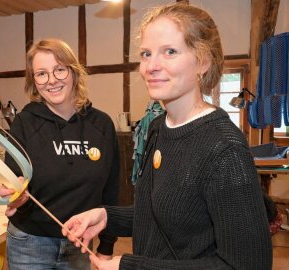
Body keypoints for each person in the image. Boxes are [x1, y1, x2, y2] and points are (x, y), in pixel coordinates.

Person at [63, 3, 272, 270]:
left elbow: (246, 265)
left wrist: (131, 267)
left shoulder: (223, 147)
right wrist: (106, 216)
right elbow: (158, 213)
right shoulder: (159, 127)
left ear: (203, 61)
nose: (151, 66)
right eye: (146, 54)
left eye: (170, 52)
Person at [0, 38, 120, 270]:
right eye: (41, 74)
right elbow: (13, 180)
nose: (51, 80)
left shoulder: (101, 124)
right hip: (29, 243)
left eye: (59, 70)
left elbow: (112, 188)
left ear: (74, 72)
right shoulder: (24, 123)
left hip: (80, 242)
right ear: (34, 81)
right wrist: (16, 195)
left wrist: (107, 244)